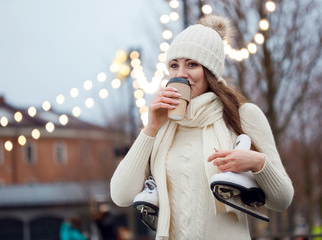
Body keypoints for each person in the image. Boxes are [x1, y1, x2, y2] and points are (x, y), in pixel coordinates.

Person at [110, 14, 294, 240]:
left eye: (192, 64)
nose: (181, 74)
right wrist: (150, 128)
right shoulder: (162, 126)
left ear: (210, 71)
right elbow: (121, 195)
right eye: (174, 65)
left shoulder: (243, 116)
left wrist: (258, 163)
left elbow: (282, 200)